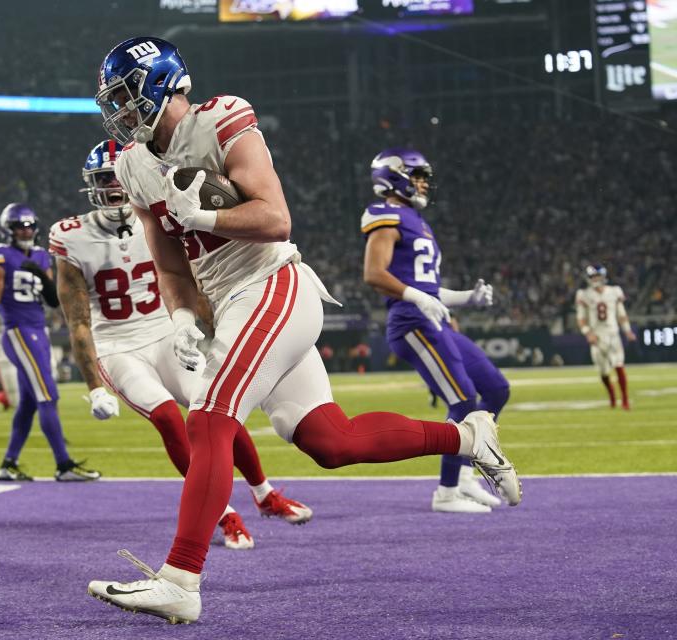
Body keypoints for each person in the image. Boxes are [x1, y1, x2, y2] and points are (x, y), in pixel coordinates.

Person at [86, 37, 521, 623]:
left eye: (124, 96)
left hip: (272, 284)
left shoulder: (221, 120)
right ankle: (469, 438)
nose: (118, 111)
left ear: (160, 82)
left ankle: (181, 580)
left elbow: (275, 217)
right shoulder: (134, 164)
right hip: (229, 301)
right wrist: (184, 316)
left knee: (209, 418)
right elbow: (168, 262)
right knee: (329, 441)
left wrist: (207, 216)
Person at [52, 139, 312, 550]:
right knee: (170, 421)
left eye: (118, 177)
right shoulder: (69, 236)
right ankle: (223, 515)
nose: (115, 187)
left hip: (165, 330)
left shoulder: (155, 214)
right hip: (118, 346)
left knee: (217, 412)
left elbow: (189, 275)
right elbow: (78, 320)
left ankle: (265, 494)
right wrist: (94, 388)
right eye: (105, 179)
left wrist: (214, 327)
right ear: (91, 185)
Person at [361, 148, 510, 514]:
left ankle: (462, 478)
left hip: (432, 318)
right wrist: (416, 298)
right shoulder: (385, 214)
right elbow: (374, 274)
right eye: (417, 174)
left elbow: (427, 287)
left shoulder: (416, 219)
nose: (424, 182)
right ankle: (446, 491)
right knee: (462, 400)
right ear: (394, 175)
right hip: (411, 322)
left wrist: (466, 299)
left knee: (495, 389)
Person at [0, 203, 99, 482]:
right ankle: (63, 465)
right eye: (20, 226)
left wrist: (39, 275)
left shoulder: (42, 256)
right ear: (9, 229)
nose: (26, 230)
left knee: (30, 404)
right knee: (48, 395)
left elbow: (53, 300)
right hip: (18, 331)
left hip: (38, 330)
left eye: (30, 225)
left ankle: (8, 464)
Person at [575, 264, 637, 409]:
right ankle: (612, 398)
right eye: (593, 276)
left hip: (613, 334)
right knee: (603, 371)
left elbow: (621, 314)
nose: (595, 279)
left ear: (603, 277)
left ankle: (625, 400)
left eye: (597, 276)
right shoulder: (584, 294)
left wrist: (627, 331)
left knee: (619, 365)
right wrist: (588, 333)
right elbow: (581, 318)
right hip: (596, 337)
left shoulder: (614, 291)